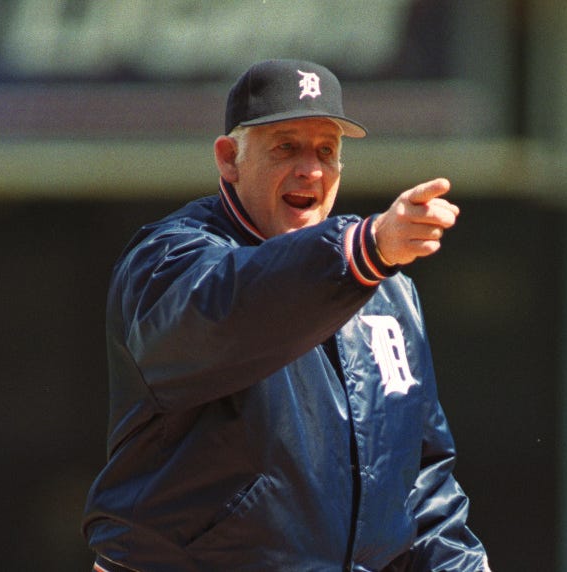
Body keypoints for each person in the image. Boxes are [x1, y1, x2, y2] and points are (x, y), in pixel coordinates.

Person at [82, 59, 490, 572]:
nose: (311, 170)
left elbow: (422, 484)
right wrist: (363, 250)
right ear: (229, 160)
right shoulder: (170, 258)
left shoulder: (387, 290)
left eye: (326, 150)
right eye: (286, 147)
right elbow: (226, 314)